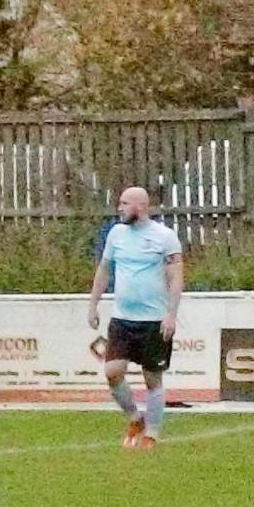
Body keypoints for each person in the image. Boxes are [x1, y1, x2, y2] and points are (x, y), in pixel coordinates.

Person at [87, 186, 184, 449]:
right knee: (112, 371)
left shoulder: (164, 237)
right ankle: (135, 417)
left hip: (153, 320)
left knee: (152, 379)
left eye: (124, 203)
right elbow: (105, 269)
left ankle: (152, 433)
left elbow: (176, 278)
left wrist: (171, 315)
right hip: (122, 319)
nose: (119, 208)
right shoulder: (116, 234)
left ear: (140, 207)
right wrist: (93, 304)